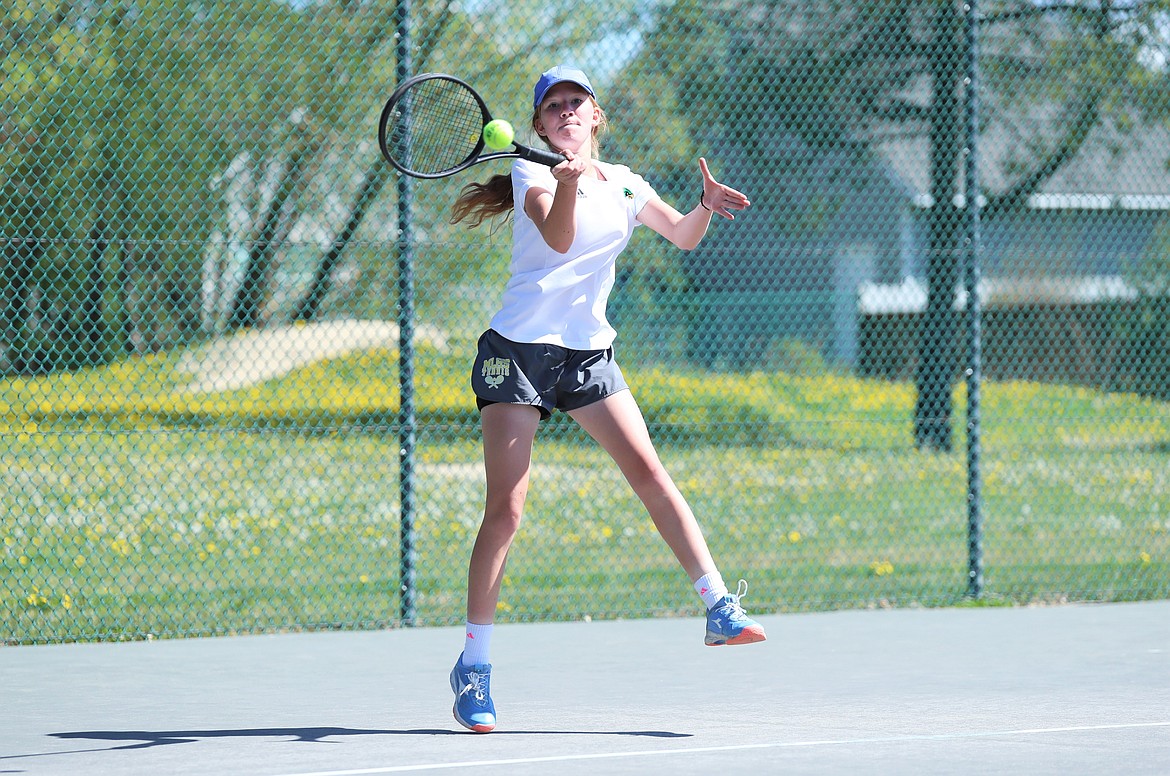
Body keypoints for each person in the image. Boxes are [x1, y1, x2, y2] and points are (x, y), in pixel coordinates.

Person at [447, 64, 766, 734]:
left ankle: (718, 608)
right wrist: (563, 185)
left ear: (596, 116)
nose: (565, 112)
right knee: (506, 510)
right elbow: (558, 239)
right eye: (552, 106)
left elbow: (680, 235)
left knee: (650, 472)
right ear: (537, 125)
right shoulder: (534, 173)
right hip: (518, 354)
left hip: (587, 355)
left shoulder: (624, 181)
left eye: (576, 103)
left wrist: (703, 205)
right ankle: (473, 667)